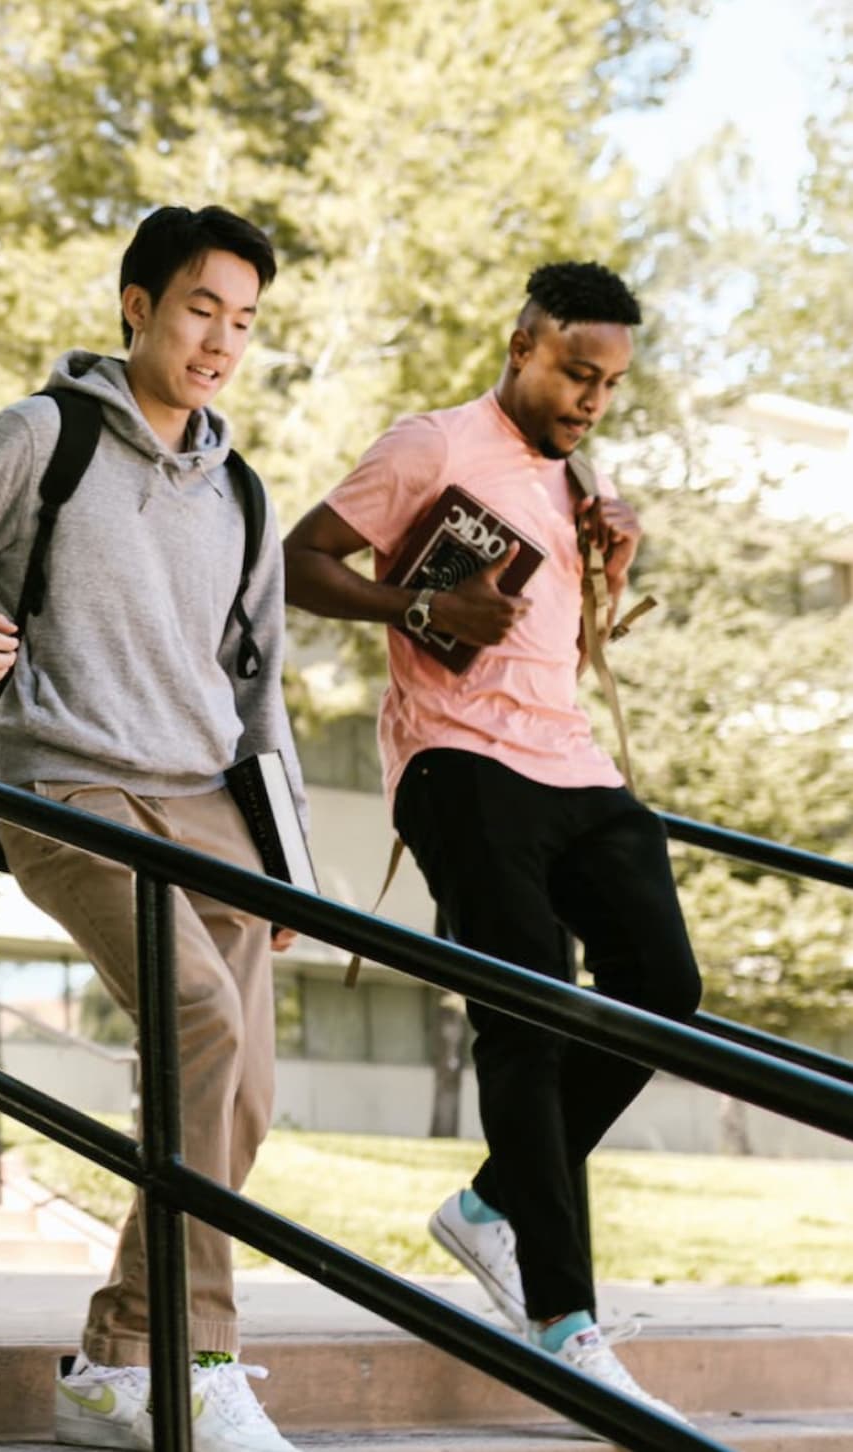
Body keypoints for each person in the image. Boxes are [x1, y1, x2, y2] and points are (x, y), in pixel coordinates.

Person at [0, 205, 307, 1452]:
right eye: (199, 308)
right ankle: (197, 1358)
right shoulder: (42, 434)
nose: (221, 339)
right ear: (137, 305)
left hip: (210, 803)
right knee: (200, 1025)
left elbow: (260, 690)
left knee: (244, 1095)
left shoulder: (244, 494)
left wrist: (288, 873)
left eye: (243, 319)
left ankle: (116, 1356)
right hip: (68, 786)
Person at [282, 262, 700, 1420]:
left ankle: (487, 1204)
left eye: (609, 384)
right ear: (518, 341)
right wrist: (425, 609)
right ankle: (564, 1320)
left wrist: (611, 556)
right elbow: (300, 564)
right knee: (527, 1015)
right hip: (457, 765)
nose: (590, 400)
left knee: (664, 988)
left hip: (571, 763)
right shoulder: (429, 446)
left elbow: (553, 644)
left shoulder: (577, 475)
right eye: (575, 372)